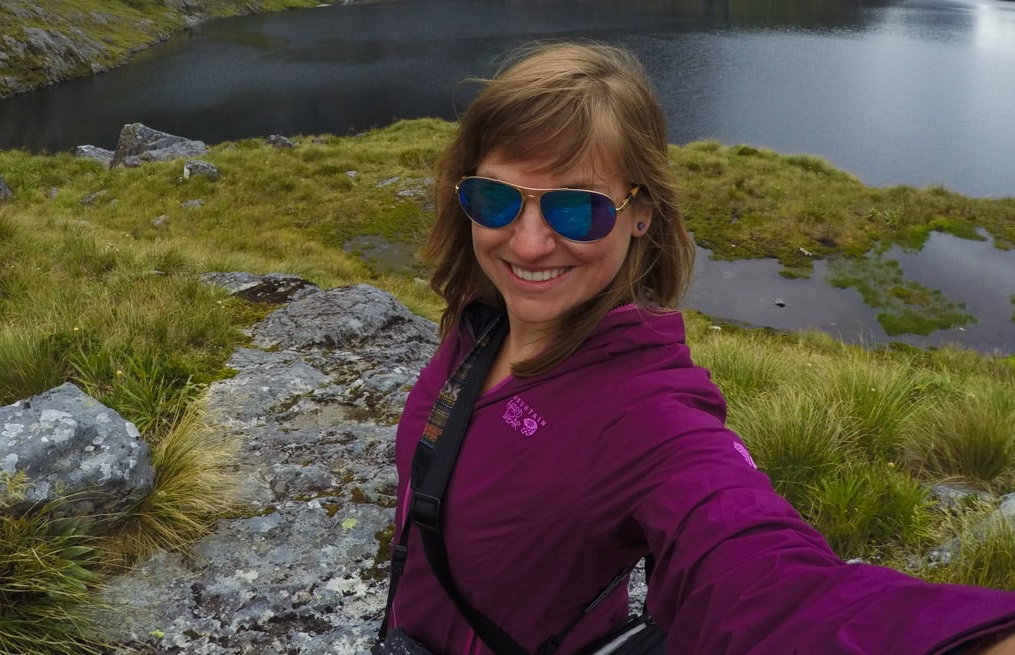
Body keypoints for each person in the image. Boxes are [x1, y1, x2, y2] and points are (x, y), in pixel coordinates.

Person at [384, 41, 1015, 654]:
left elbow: (763, 583)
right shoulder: (481, 322)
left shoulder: (646, 413)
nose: (525, 245)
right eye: (494, 200)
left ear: (642, 214)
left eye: (577, 211)